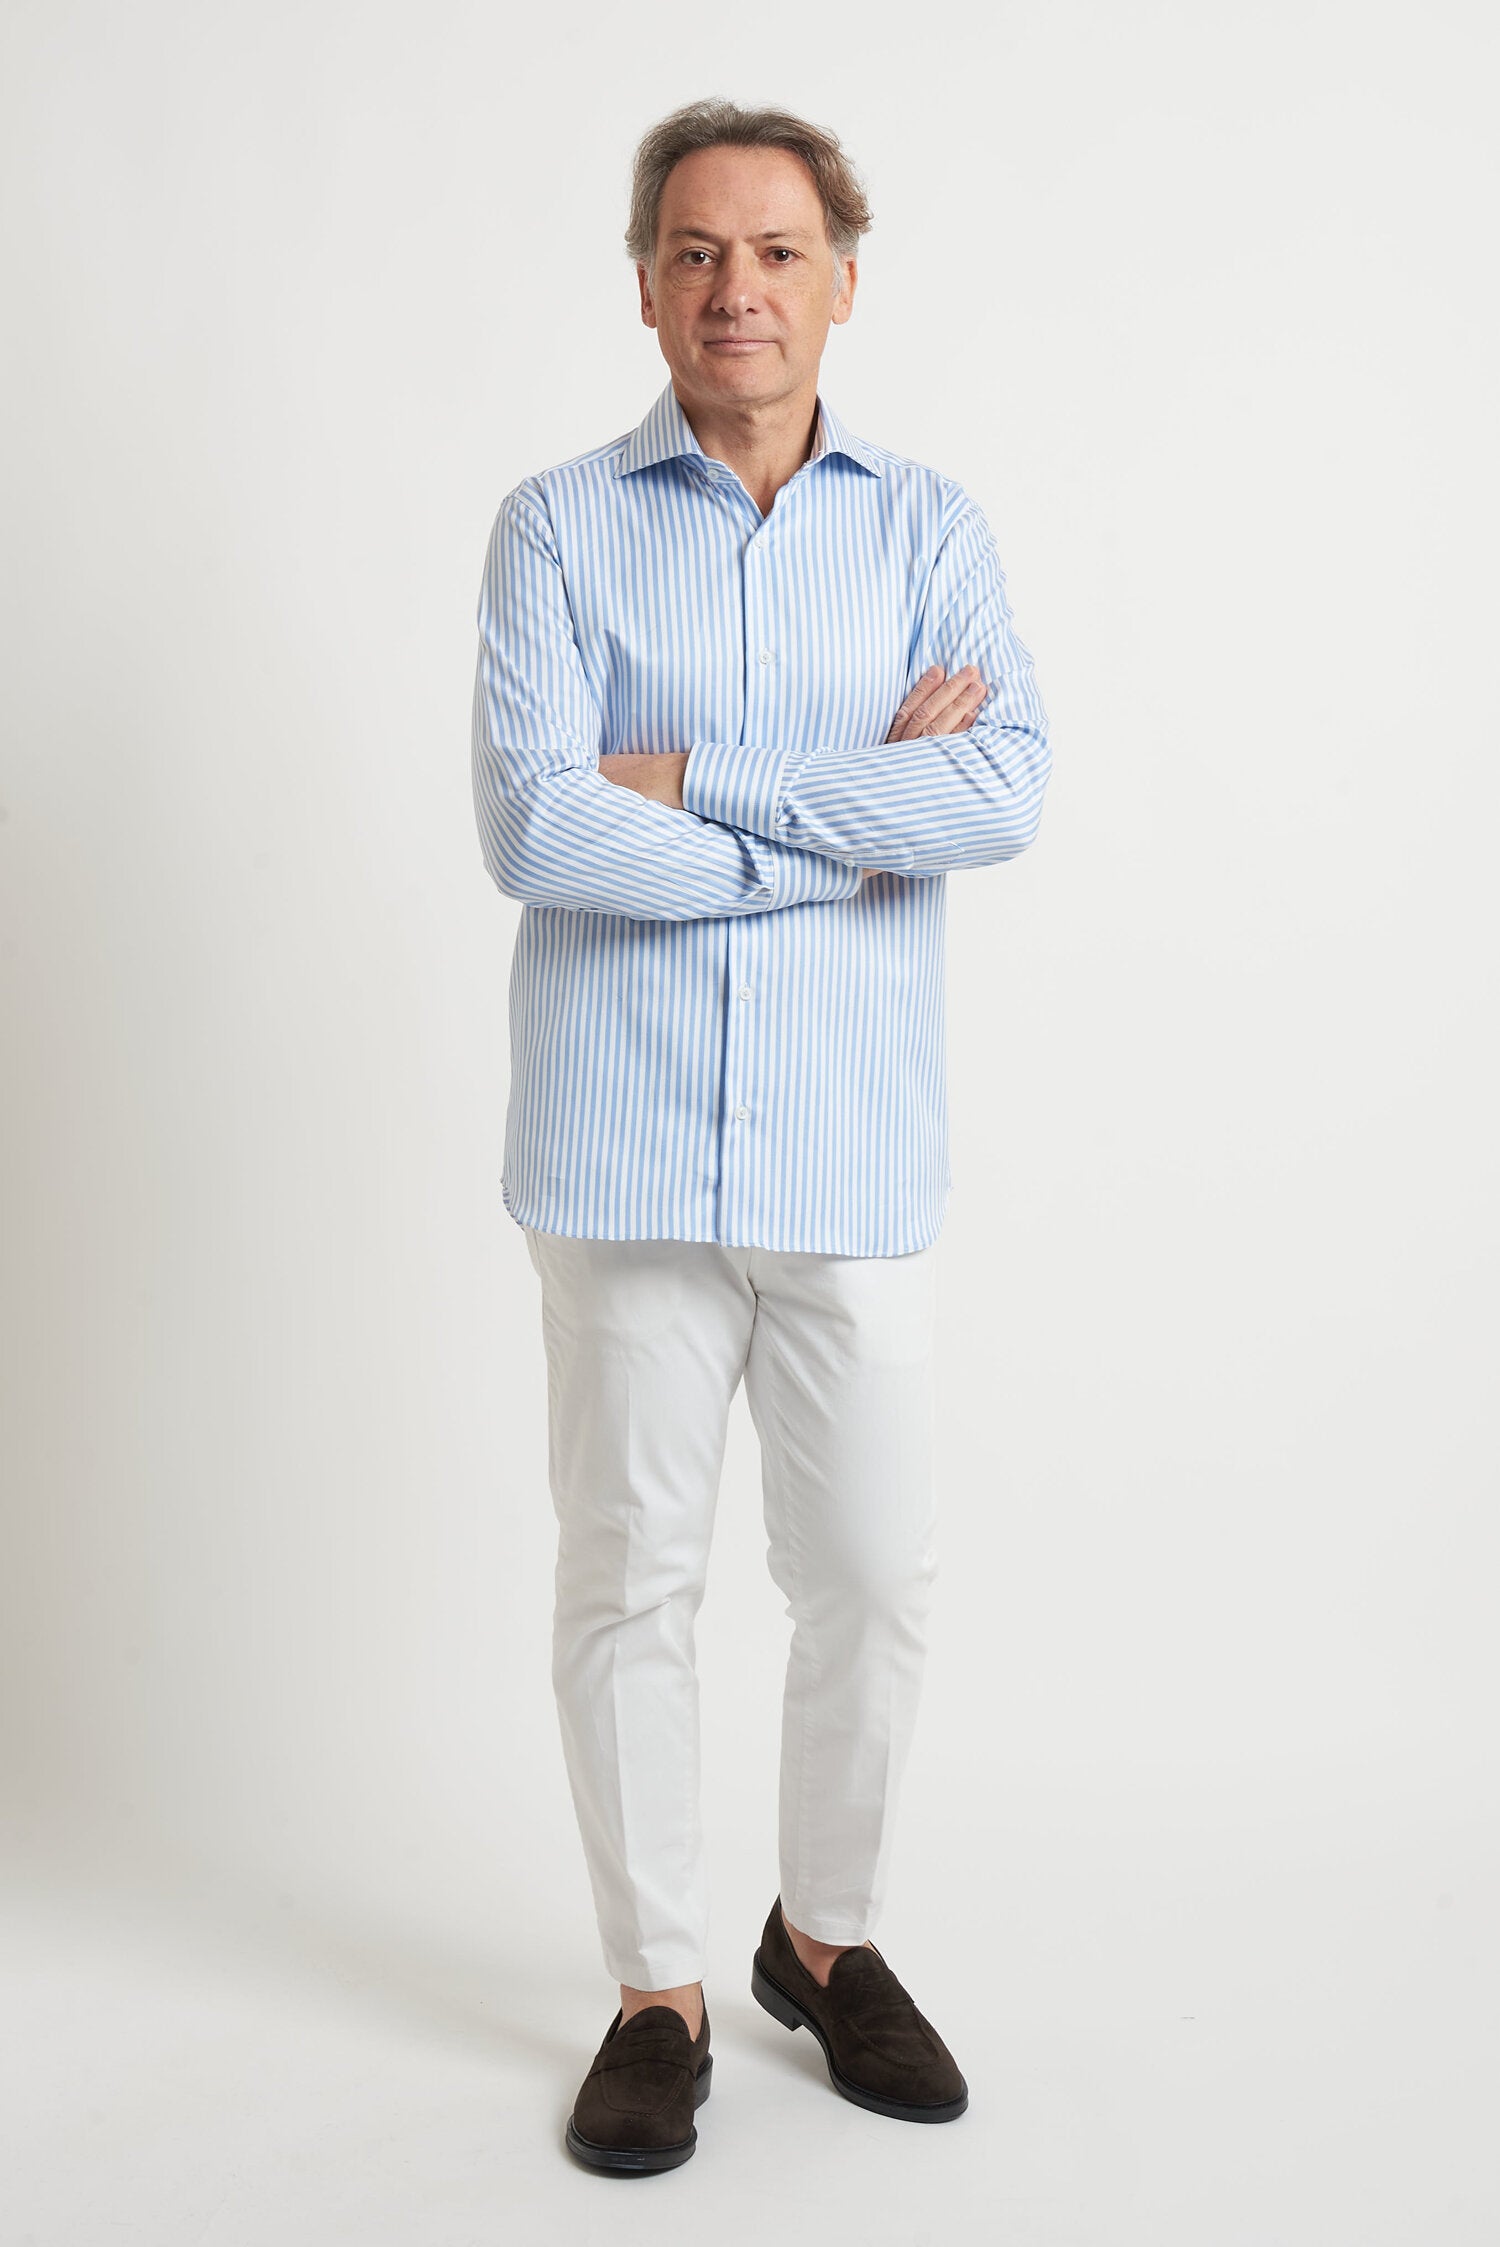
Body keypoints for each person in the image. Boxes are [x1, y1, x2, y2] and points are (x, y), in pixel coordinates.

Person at [470, 95, 1051, 2174]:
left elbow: (1000, 791)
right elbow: (536, 825)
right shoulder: (555, 529)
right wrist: (844, 821)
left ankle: (823, 1935)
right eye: (698, 252)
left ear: (842, 283)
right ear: (646, 284)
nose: (738, 289)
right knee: (630, 1578)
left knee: (873, 1576)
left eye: (778, 251)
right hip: (619, 1158)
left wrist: (689, 778)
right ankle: (658, 1986)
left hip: (848, 1152)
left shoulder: (932, 530)